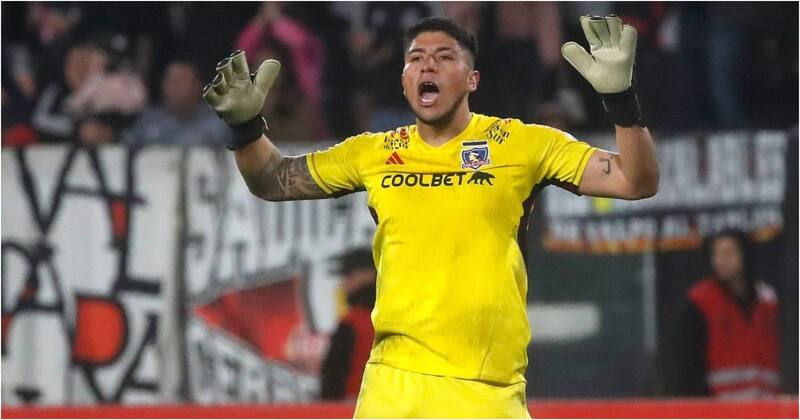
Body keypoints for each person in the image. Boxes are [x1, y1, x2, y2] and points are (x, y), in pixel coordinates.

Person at [202, 15, 658, 418]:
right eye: (416, 58)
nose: (427, 66)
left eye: (444, 57)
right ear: (404, 79)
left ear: (472, 79)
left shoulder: (523, 144)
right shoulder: (374, 152)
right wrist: (246, 129)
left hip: (486, 390)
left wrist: (620, 100)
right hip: (393, 387)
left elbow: (635, 181)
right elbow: (272, 179)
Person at [673, 229, 781, 398]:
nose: (721, 260)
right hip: (719, 406)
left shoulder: (768, 300)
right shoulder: (700, 301)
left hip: (766, 405)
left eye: (729, 253)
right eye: (717, 254)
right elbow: (686, 365)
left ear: (744, 255)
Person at [123, 58, 229, 146]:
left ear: (198, 86)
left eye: (182, 81)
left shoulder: (216, 125)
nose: (176, 88)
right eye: (172, 81)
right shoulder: (148, 122)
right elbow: (124, 149)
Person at [320, 248, 377, 401]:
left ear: (368, 275)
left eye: (348, 275)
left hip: (352, 408)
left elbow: (331, 383)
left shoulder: (353, 323)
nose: (343, 283)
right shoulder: (400, 319)